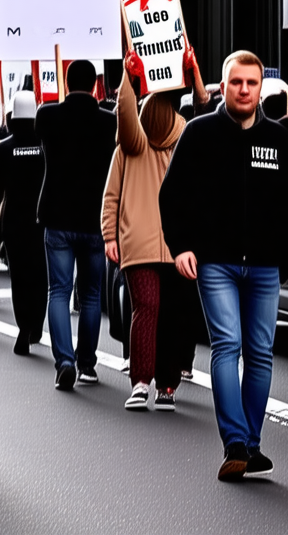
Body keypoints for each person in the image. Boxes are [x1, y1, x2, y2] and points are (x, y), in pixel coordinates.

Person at [158, 50, 288, 481]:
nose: (244, 90)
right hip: (215, 261)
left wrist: (286, 261)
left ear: (261, 88)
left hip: (264, 266)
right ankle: (234, 443)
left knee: (260, 354)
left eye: (252, 84)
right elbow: (172, 194)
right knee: (227, 345)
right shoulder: (200, 132)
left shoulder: (278, 140)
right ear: (224, 86)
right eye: (236, 83)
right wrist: (181, 245)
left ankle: (251, 447)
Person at [104, 54, 204, 412]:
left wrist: (109, 236)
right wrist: (194, 76)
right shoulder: (188, 140)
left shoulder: (129, 144)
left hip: (137, 242)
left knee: (144, 310)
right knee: (176, 315)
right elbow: (206, 114)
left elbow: (111, 195)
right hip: (179, 245)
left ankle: (140, 382)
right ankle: (167, 387)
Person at [36, 60, 117, 391]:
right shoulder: (109, 121)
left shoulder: (47, 115)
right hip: (95, 217)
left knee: (58, 290)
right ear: (96, 85)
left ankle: (64, 361)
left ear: (66, 82)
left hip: (56, 213)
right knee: (92, 294)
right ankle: (87, 363)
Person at [0, 92, 46, 355]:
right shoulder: (47, 145)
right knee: (42, 277)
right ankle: (37, 326)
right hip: (43, 220)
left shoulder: (4, 148)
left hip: (14, 221)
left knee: (19, 278)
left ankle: (23, 326)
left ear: (11, 117)